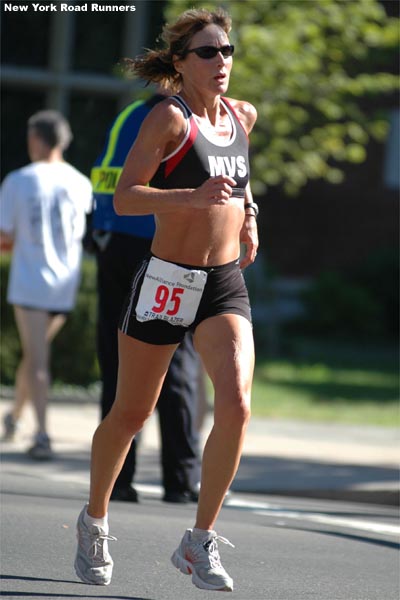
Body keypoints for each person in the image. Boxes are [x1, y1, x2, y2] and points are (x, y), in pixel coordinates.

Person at [74, 7, 258, 592]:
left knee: (236, 402)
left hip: (224, 282)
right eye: (208, 52)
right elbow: (127, 199)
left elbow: (240, 180)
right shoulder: (167, 120)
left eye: (226, 50)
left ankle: (199, 540)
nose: (221, 61)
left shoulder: (242, 116)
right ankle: (94, 520)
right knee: (131, 412)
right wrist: (191, 198)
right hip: (168, 278)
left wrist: (249, 214)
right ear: (180, 63)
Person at [91, 92, 202, 503]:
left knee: (118, 361)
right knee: (177, 359)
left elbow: (104, 176)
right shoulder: (192, 121)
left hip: (120, 244)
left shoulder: (131, 116)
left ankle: (119, 478)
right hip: (169, 250)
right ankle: (182, 480)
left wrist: (100, 231)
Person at [0, 110, 92, 459]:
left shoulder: (19, 180)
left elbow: (5, 238)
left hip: (30, 282)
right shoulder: (80, 182)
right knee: (35, 354)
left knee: (37, 359)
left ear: (37, 139)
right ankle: (14, 416)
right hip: (65, 285)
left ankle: (41, 433)